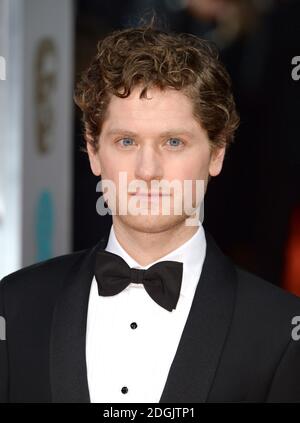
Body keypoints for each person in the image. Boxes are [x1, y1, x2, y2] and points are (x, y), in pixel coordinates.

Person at [1, 22, 300, 403]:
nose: (147, 170)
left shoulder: (280, 331)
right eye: (126, 141)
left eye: (173, 142)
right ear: (93, 151)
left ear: (217, 152)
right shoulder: (15, 306)